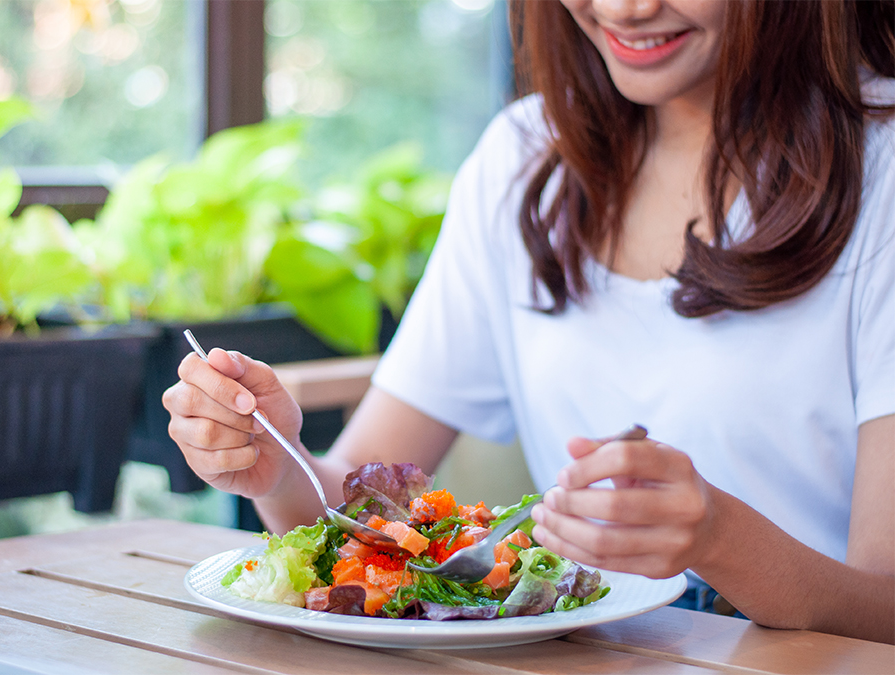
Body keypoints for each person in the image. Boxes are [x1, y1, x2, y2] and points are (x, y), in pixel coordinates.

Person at [163, 0, 894, 644]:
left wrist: (720, 539)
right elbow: (352, 512)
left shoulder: (883, 169)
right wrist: (273, 462)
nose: (625, 8)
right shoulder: (525, 160)